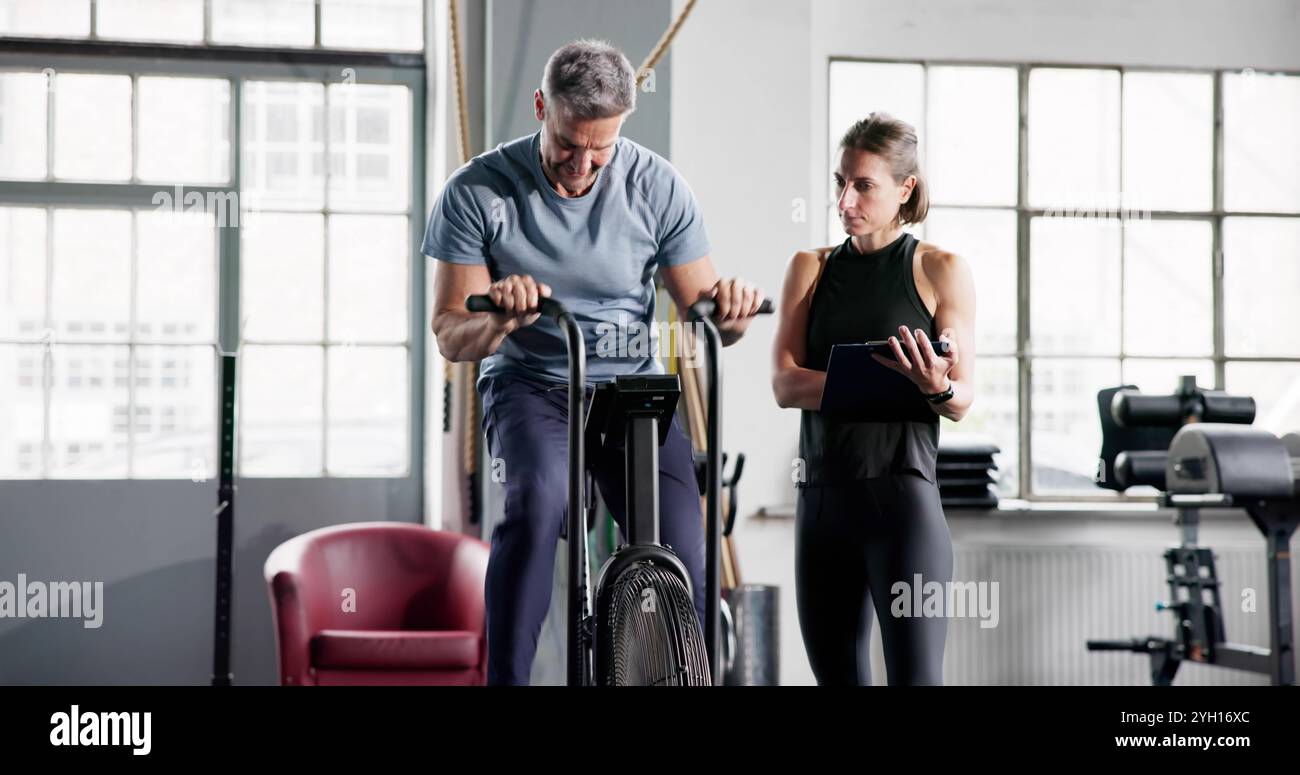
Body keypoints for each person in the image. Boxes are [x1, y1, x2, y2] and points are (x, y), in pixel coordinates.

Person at [424, 39, 765, 685]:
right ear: (540, 109)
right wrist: (499, 317)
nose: (581, 166)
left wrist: (734, 313)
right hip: (531, 384)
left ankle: (675, 677)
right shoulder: (477, 190)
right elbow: (449, 333)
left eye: (600, 150)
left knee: (685, 538)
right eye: (567, 145)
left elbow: (706, 316)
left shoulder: (659, 187)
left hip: (628, 391)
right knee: (538, 500)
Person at [770, 112, 976, 685]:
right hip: (822, 502)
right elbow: (785, 383)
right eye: (841, 182)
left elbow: (960, 398)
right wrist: (893, 381)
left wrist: (934, 385)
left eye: (864, 185)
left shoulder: (940, 269)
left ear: (905, 189)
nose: (845, 200)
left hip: (904, 504)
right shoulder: (809, 268)